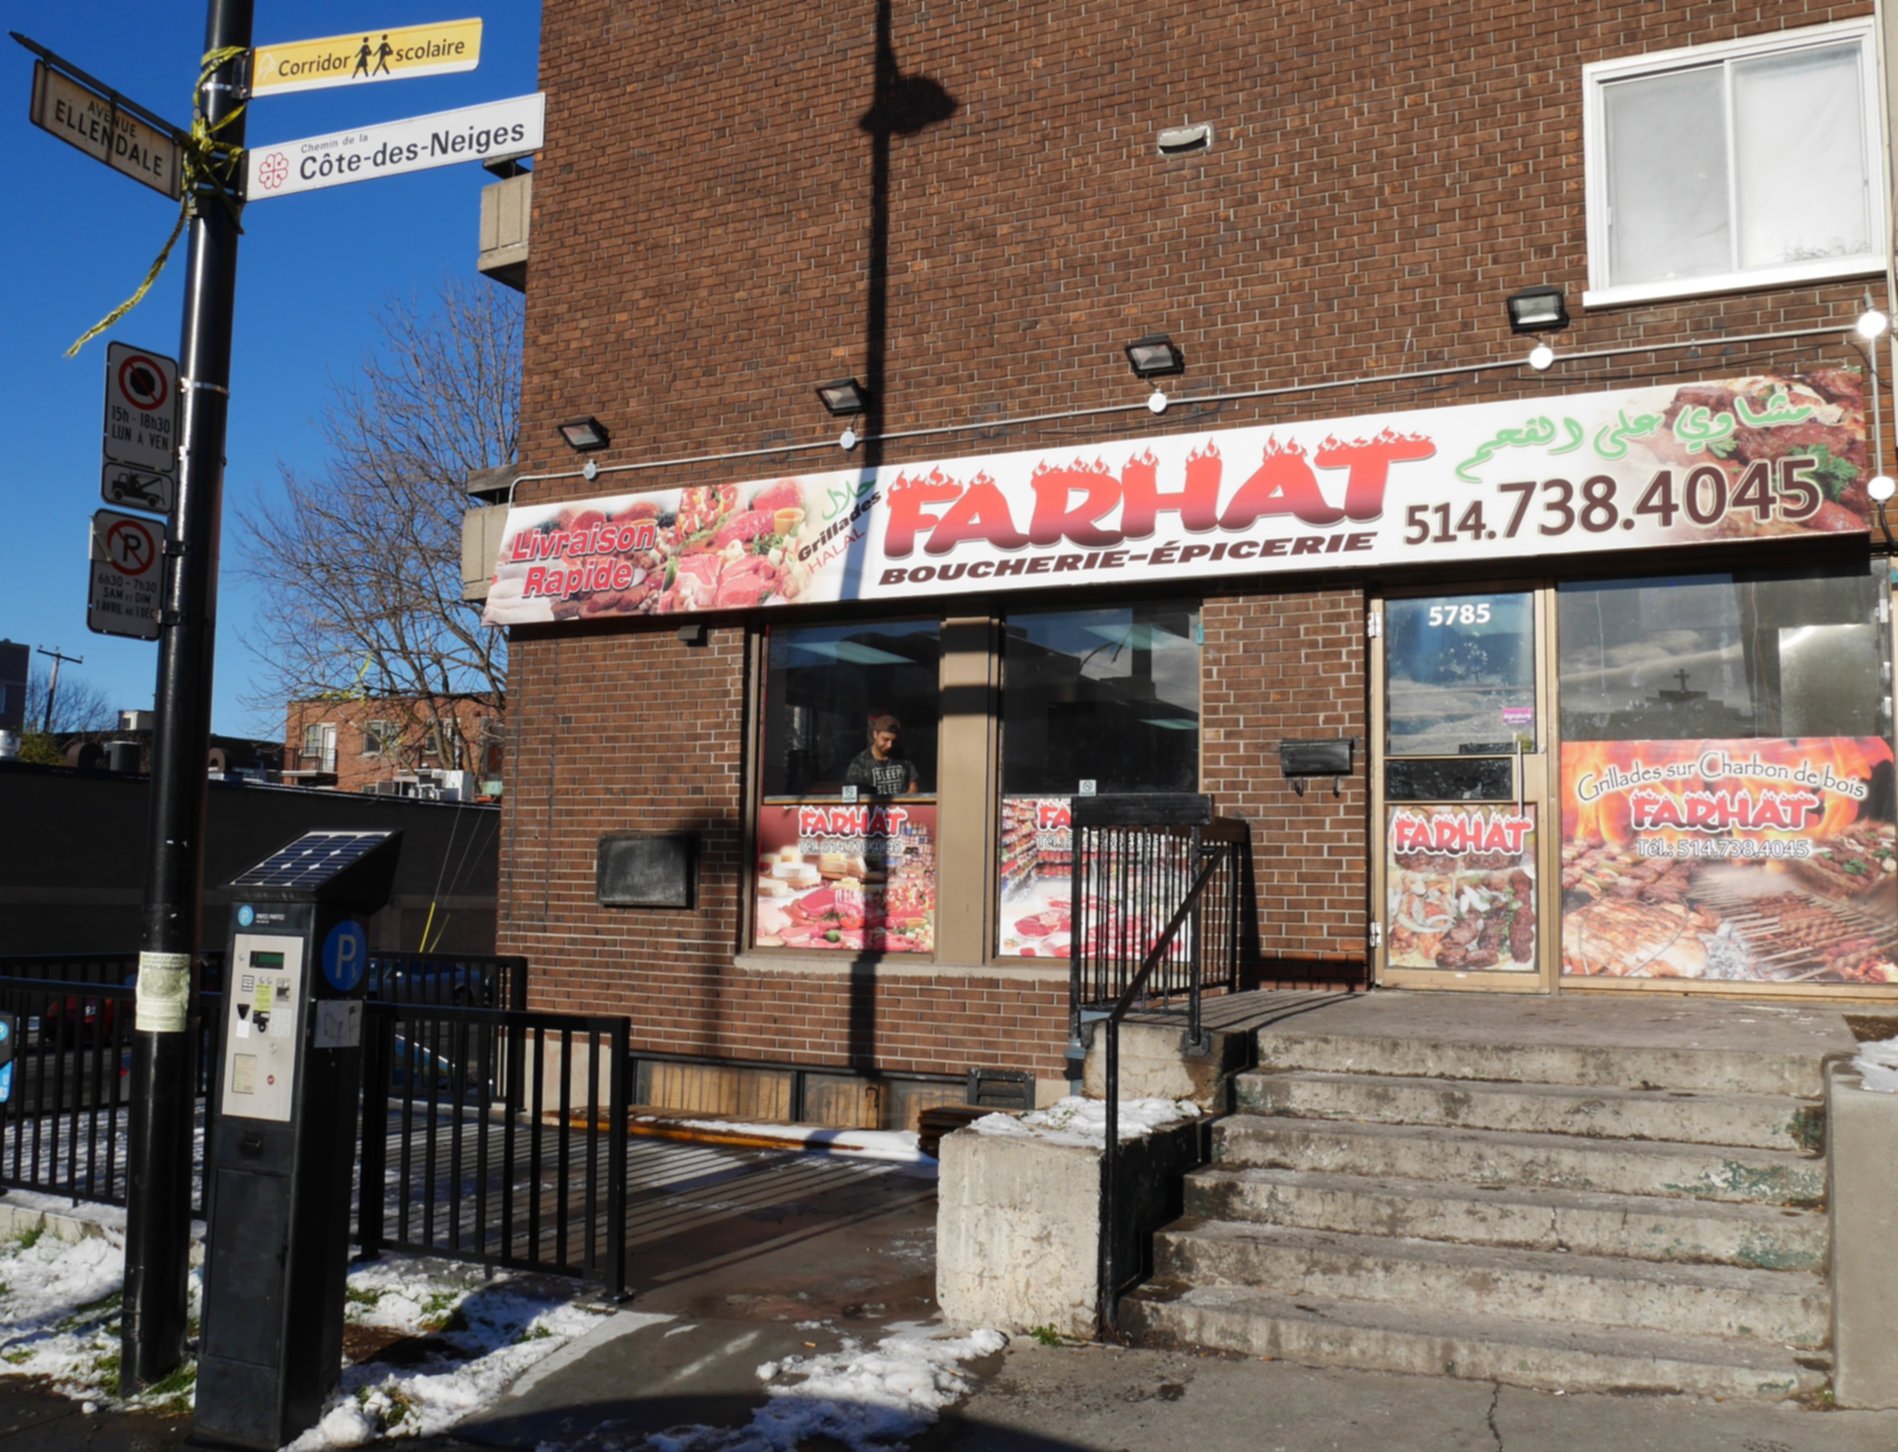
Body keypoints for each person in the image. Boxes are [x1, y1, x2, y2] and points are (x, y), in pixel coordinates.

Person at [845, 714, 919, 795]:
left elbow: (913, 790)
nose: (889, 745)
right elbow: (852, 795)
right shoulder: (860, 763)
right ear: (875, 734)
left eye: (893, 741)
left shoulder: (904, 761)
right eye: (885, 739)